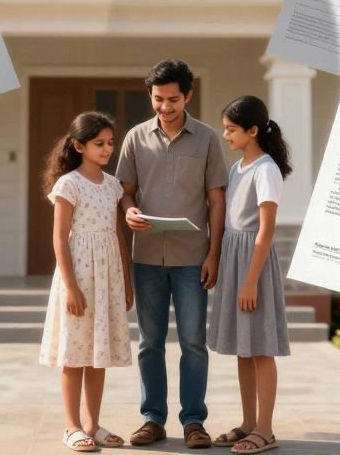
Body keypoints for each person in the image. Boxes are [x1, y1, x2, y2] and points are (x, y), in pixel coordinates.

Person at [118, 59, 228, 450]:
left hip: (192, 258)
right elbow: (126, 191)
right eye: (158, 99)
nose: (165, 107)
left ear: (189, 96)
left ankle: (194, 421)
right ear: (150, 96)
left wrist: (214, 253)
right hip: (146, 256)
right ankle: (153, 419)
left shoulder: (209, 138)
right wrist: (129, 209)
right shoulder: (134, 138)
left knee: (194, 342)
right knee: (150, 342)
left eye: (173, 99)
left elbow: (217, 199)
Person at [39, 111, 135, 452]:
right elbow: (59, 238)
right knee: (75, 352)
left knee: (98, 353)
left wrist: (126, 281)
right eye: (99, 144)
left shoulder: (112, 186)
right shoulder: (68, 184)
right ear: (79, 146)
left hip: (107, 278)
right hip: (78, 276)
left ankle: (93, 424)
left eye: (110, 143)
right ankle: (72, 426)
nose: (107, 149)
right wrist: (71, 286)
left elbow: (118, 236)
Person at [209, 96, 292, 453]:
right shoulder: (237, 168)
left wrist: (250, 281)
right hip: (233, 259)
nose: (225, 135)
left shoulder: (266, 170)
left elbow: (266, 231)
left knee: (260, 349)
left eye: (231, 129)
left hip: (253, 266)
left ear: (252, 131)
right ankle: (247, 423)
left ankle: (266, 430)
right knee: (244, 349)